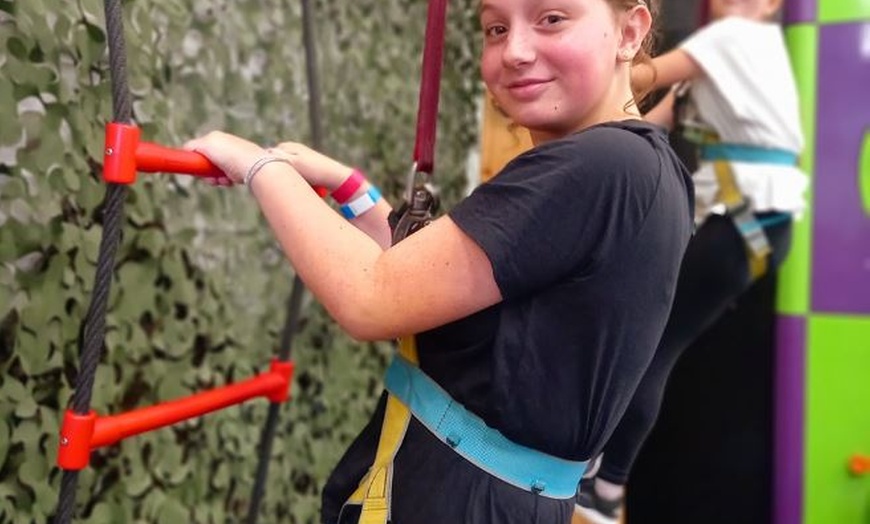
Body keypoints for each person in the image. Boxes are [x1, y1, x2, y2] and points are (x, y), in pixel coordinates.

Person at [185, 0, 693, 522]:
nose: (514, 51)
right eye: (496, 28)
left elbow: (373, 296)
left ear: (629, 31)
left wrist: (260, 166)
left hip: (457, 499)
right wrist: (350, 188)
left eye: (551, 19)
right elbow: (432, 285)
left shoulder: (598, 166)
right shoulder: (649, 170)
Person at [574, 0, 807, 522]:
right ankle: (603, 482)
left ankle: (600, 481)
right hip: (762, 231)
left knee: (649, 346)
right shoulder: (748, 61)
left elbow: (640, 77)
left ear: (771, 7)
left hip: (740, 224)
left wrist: (580, 59)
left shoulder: (730, 42)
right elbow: (649, 123)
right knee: (654, 341)